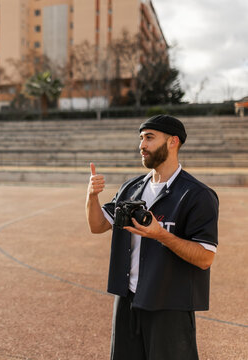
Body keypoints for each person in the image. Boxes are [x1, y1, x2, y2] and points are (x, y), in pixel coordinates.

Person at [85, 115, 219, 360]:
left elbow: (205, 257)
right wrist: (92, 196)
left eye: (149, 138)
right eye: (140, 138)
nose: (142, 145)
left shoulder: (196, 195)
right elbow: (97, 225)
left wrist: (161, 235)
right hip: (128, 300)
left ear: (173, 142)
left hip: (170, 305)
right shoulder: (131, 188)